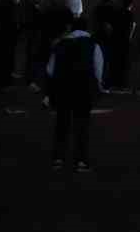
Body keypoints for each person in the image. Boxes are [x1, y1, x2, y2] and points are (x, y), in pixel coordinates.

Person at [46, 17, 104, 172]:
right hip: (84, 89)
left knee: (62, 124)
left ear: (70, 27)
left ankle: (58, 159)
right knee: (82, 125)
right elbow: (98, 70)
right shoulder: (93, 44)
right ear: (87, 28)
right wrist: (97, 87)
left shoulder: (60, 44)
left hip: (63, 89)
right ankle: (81, 161)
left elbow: (50, 70)